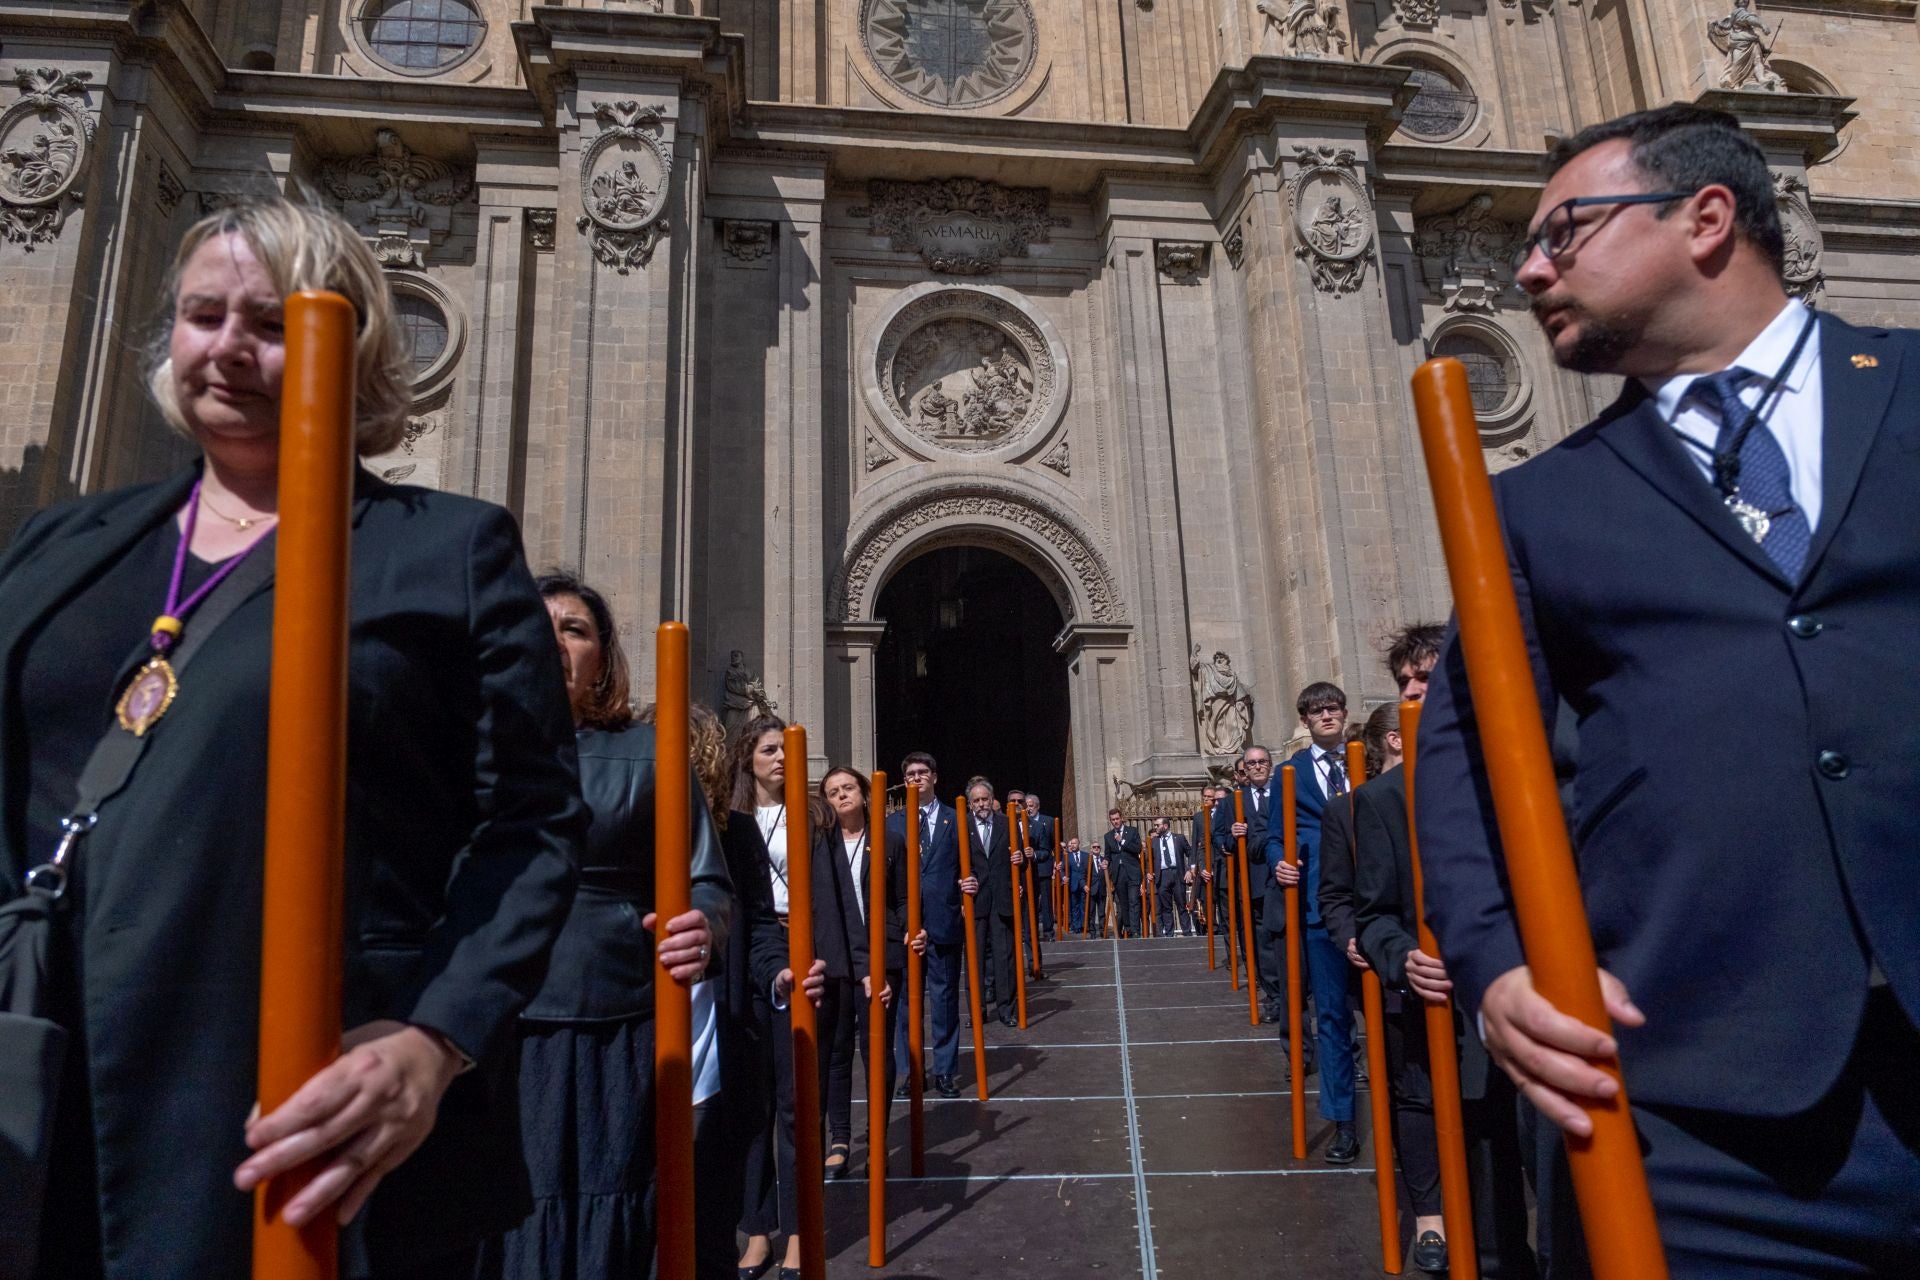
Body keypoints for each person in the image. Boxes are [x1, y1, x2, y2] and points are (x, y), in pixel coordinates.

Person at [0, 195, 585, 1280]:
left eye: (266, 323)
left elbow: (532, 820)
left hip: (300, 1090)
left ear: (348, 343)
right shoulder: (60, 545)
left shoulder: (445, 551)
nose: (225, 347)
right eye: (201, 314)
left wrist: (434, 1037)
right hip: (44, 1067)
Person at [1418, 104, 1920, 1275]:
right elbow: (1466, 754)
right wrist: (1498, 964)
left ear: (1705, 219)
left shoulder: (1906, 384)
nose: (1531, 268)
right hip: (1709, 1111)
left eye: (1564, 230)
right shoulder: (1541, 505)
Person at [480, 575, 731, 1279]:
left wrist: (702, 930)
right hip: (484, 1019)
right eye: (538, 622)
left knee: (610, 1205)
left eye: (575, 629)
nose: (554, 639)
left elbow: (706, 880)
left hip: (610, 1018)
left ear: (604, 659)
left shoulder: (649, 753)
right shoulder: (458, 746)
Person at [1353, 704, 1538, 1277]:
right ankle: (1450, 1228)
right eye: (1407, 681)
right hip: (1438, 996)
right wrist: (1396, 955)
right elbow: (1371, 909)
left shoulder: (1523, 771)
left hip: (1540, 995)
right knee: (1443, 1115)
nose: (1418, 691)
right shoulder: (1380, 801)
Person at [726, 715, 827, 1280]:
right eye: (768, 750)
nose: (779, 759)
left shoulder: (812, 816)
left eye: (783, 750)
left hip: (800, 951)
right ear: (747, 758)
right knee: (751, 1102)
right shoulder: (731, 821)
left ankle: (797, 1231)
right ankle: (757, 1230)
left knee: (795, 1102)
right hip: (752, 961)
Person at [1277, 682, 1359, 1163]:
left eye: (1333, 708)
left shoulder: (1366, 763)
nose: (1326, 716)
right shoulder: (1291, 773)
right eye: (1316, 711)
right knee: (1330, 1018)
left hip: (1376, 904)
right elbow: (1273, 837)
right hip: (1318, 909)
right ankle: (1343, 1119)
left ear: (1345, 714)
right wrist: (1278, 863)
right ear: (1305, 720)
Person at [817, 767, 913, 1181]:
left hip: (883, 955)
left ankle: (878, 1136)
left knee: (876, 1047)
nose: (842, 796)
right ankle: (840, 1137)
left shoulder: (889, 840)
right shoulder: (821, 844)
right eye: (833, 791)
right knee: (837, 1049)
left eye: (848, 788)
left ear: (864, 791)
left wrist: (911, 928)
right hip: (838, 955)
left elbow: (905, 897)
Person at [887, 752, 965, 1099]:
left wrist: (971, 882)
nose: (916, 778)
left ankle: (946, 1070)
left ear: (934, 777)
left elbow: (970, 864)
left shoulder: (954, 819)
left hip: (944, 919)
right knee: (906, 1001)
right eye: (910, 774)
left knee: (945, 997)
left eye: (922, 772)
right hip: (906, 925)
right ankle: (911, 1070)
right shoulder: (891, 823)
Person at [1214, 749, 1288, 1028]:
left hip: (1285, 874)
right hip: (1254, 880)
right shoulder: (1235, 801)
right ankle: (1274, 994)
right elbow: (1221, 841)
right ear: (1244, 768)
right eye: (1252, 763)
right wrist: (1233, 836)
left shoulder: (1284, 790)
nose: (1257, 767)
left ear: (1270, 765)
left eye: (1262, 762)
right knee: (1263, 940)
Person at [958, 778, 1021, 1027]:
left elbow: (1021, 861)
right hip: (974, 900)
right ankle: (977, 1010)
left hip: (1002, 899)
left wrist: (1021, 858)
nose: (981, 804)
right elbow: (954, 864)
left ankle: (1006, 1010)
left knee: (1004, 957)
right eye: (976, 800)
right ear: (970, 804)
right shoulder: (961, 826)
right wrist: (961, 888)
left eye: (985, 799)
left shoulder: (1008, 823)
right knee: (973, 958)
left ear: (992, 799)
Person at [1146, 816, 1193, 938]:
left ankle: (1187, 933)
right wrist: (1148, 872)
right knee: (1166, 907)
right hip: (1162, 875)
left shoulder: (1179, 838)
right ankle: (1170, 934)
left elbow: (1191, 853)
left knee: (1181, 905)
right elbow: (1148, 860)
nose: (1155, 827)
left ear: (1165, 826)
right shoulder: (1154, 842)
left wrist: (1189, 870)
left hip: (1178, 874)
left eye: (1157, 825)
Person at [1102, 809, 1143, 938]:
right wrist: (1105, 861)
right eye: (1113, 820)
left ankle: (1136, 930)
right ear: (1110, 821)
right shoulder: (1108, 836)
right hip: (1118, 874)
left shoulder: (1132, 831)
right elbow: (1108, 855)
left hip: (1132, 871)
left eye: (1117, 819)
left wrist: (1122, 841)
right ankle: (1129, 929)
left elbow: (1137, 848)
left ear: (1122, 818)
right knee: (1123, 904)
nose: (1115, 822)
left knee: (1133, 901)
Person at [1023, 792, 1057, 941]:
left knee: (1046, 902)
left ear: (1037, 806)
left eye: (1031, 806)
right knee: (1028, 901)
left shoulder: (1048, 822)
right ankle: (1029, 931)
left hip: (1043, 867)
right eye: (1027, 806)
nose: (1029, 809)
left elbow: (1054, 844)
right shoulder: (1021, 821)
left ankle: (1048, 931)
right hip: (1026, 868)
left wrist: (1057, 862)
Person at [1063, 837, 1091, 934]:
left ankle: (1084, 925)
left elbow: (1089, 870)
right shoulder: (1067, 856)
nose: (1073, 845)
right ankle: (1076, 926)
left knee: (1084, 905)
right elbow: (1063, 869)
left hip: (1084, 885)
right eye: (1072, 844)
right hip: (1073, 884)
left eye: (1075, 843)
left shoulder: (1086, 855)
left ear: (1079, 844)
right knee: (1074, 906)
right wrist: (1063, 877)